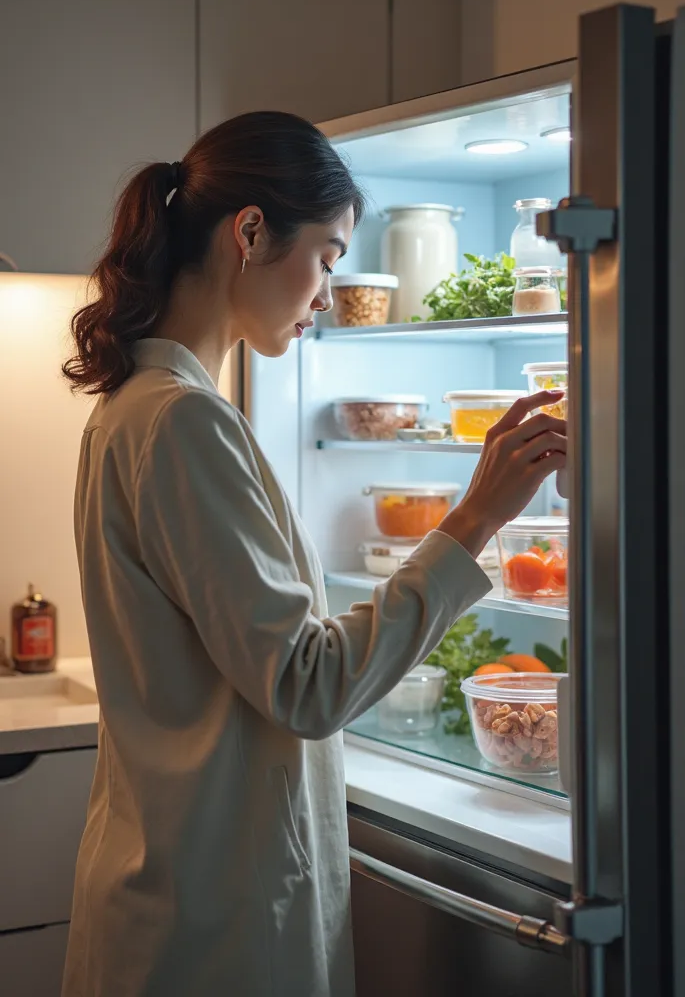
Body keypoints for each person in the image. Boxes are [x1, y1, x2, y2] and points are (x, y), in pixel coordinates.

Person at [60, 111, 566, 997]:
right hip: (213, 920)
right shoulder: (181, 422)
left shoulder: (146, 405)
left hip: (182, 877)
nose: (328, 293)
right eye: (328, 257)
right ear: (250, 233)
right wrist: (478, 516)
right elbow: (308, 683)